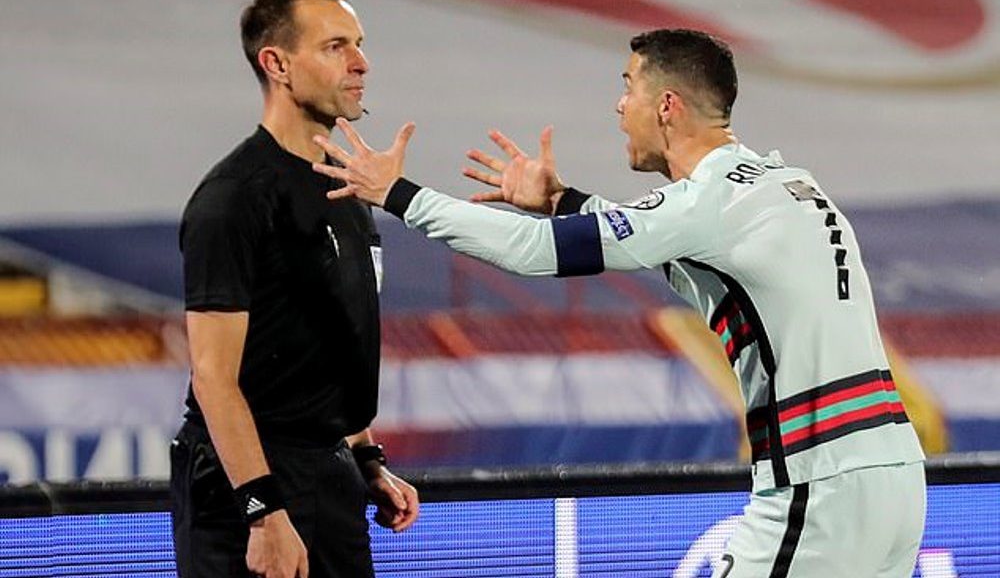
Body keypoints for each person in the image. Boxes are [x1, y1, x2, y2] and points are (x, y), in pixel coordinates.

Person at [313, 29, 926, 577]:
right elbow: (664, 238)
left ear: (667, 106)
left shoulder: (709, 203)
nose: (618, 104)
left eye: (628, 85)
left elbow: (535, 250)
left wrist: (399, 195)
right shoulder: (785, 184)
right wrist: (563, 202)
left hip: (820, 489)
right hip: (897, 477)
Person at [172, 0, 419, 577]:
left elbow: (331, 343)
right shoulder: (234, 198)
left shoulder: (345, 187)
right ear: (276, 64)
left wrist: (365, 457)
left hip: (330, 475)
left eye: (359, 44)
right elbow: (213, 377)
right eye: (336, 46)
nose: (361, 63)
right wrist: (263, 514)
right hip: (245, 487)